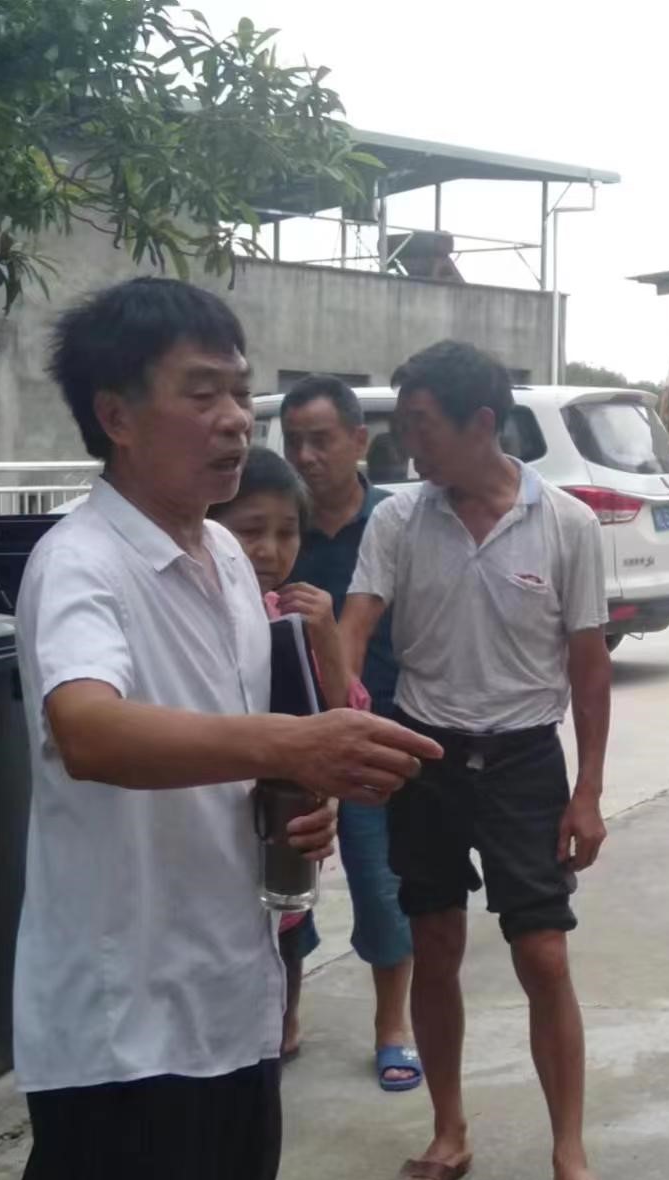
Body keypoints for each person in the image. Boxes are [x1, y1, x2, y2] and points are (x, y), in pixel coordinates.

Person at [12, 277, 441, 1180]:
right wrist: (285, 748)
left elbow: (235, 746)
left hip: (233, 1004)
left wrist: (299, 799)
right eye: (200, 393)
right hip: (124, 1031)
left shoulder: (223, 555)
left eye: (240, 393)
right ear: (117, 416)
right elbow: (87, 730)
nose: (234, 420)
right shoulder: (79, 563)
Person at [337, 339, 639, 1180]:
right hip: (424, 757)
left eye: (421, 425)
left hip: (522, 764)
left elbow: (588, 668)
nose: (407, 444)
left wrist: (588, 792)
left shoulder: (565, 523)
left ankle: (572, 1161)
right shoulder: (399, 518)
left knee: (543, 954)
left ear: (480, 423)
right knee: (434, 945)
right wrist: (343, 709)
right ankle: (448, 1135)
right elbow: (356, 625)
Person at [208, 445, 376, 1063]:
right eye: (250, 530)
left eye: (287, 533)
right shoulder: (197, 615)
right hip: (210, 828)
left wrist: (326, 636)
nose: (269, 551)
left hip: (284, 824)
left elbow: (349, 717)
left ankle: (280, 1033)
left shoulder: (292, 617)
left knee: (285, 929)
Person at [280, 375, 423, 1092]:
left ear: (359, 440)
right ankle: (284, 1014)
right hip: (285, 736)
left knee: (379, 880)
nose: (307, 456)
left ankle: (392, 1026)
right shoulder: (279, 526)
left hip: (379, 729)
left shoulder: (395, 523)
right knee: (283, 882)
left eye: (321, 440)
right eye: (294, 442)